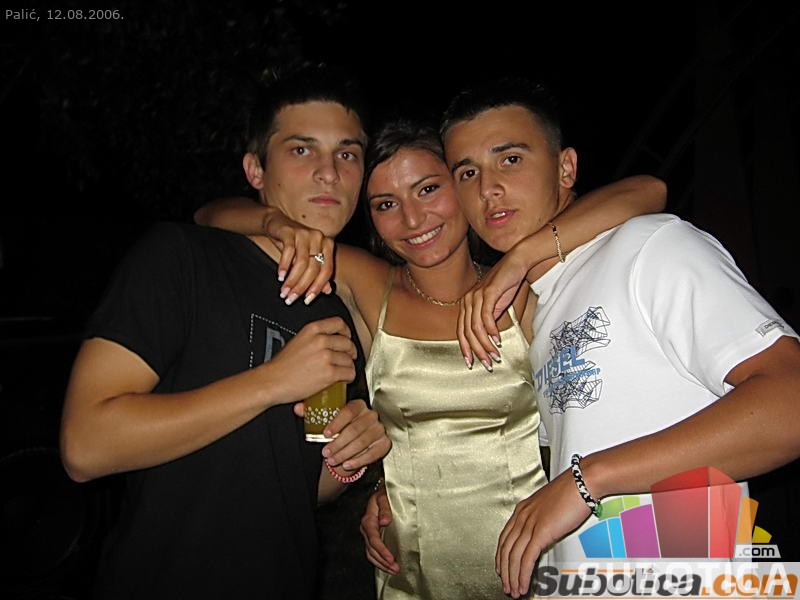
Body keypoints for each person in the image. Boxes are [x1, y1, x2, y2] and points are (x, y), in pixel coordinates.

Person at [196, 117, 667, 598]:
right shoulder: (369, 285)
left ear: (461, 185)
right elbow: (209, 218)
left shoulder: (520, 290)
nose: (413, 219)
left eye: (427, 189)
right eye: (386, 204)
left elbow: (648, 190)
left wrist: (521, 258)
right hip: (412, 578)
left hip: (529, 564)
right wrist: (279, 224)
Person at [444, 76, 800, 598]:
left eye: (511, 159)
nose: (487, 188)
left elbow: (790, 404)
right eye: (467, 172)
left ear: (566, 168)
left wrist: (588, 478)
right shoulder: (542, 311)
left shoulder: (649, 245)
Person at [59, 65, 391, 600]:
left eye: (347, 154)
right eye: (302, 150)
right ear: (255, 169)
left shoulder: (336, 307)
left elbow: (301, 485)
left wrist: (351, 457)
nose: (329, 173)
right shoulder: (181, 257)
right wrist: (273, 382)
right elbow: (85, 446)